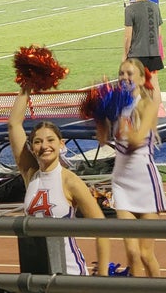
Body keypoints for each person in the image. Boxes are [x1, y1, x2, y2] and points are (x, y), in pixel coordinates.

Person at [7, 88, 110, 276]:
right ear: (31, 147)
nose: (44, 146)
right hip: (35, 271)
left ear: (61, 144)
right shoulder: (30, 175)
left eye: (50, 140)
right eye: (38, 142)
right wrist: (26, 87)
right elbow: (14, 125)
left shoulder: (70, 181)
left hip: (69, 272)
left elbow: (101, 229)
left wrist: (102, 277)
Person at [95, 58, 166, 277]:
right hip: (121, 182)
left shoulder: (148, 105)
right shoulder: (116, 105)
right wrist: (99, 112)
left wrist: (117, 115)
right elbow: (102, 139)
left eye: (129, 73)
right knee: (132, 252)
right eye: (121, 73)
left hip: (145, 182)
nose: (124, 77)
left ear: (141, 78)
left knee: (145, 253)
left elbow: (136, 141)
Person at [123, 0, 166, 118]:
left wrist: (125, 54)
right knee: (154, 84)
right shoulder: (155, 6)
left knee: (134, 85)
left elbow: (128, 36)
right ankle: (159, 112)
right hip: (153, 51)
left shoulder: (130, 9)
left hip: (137, 53)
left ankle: (137, 114)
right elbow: (158, 31)